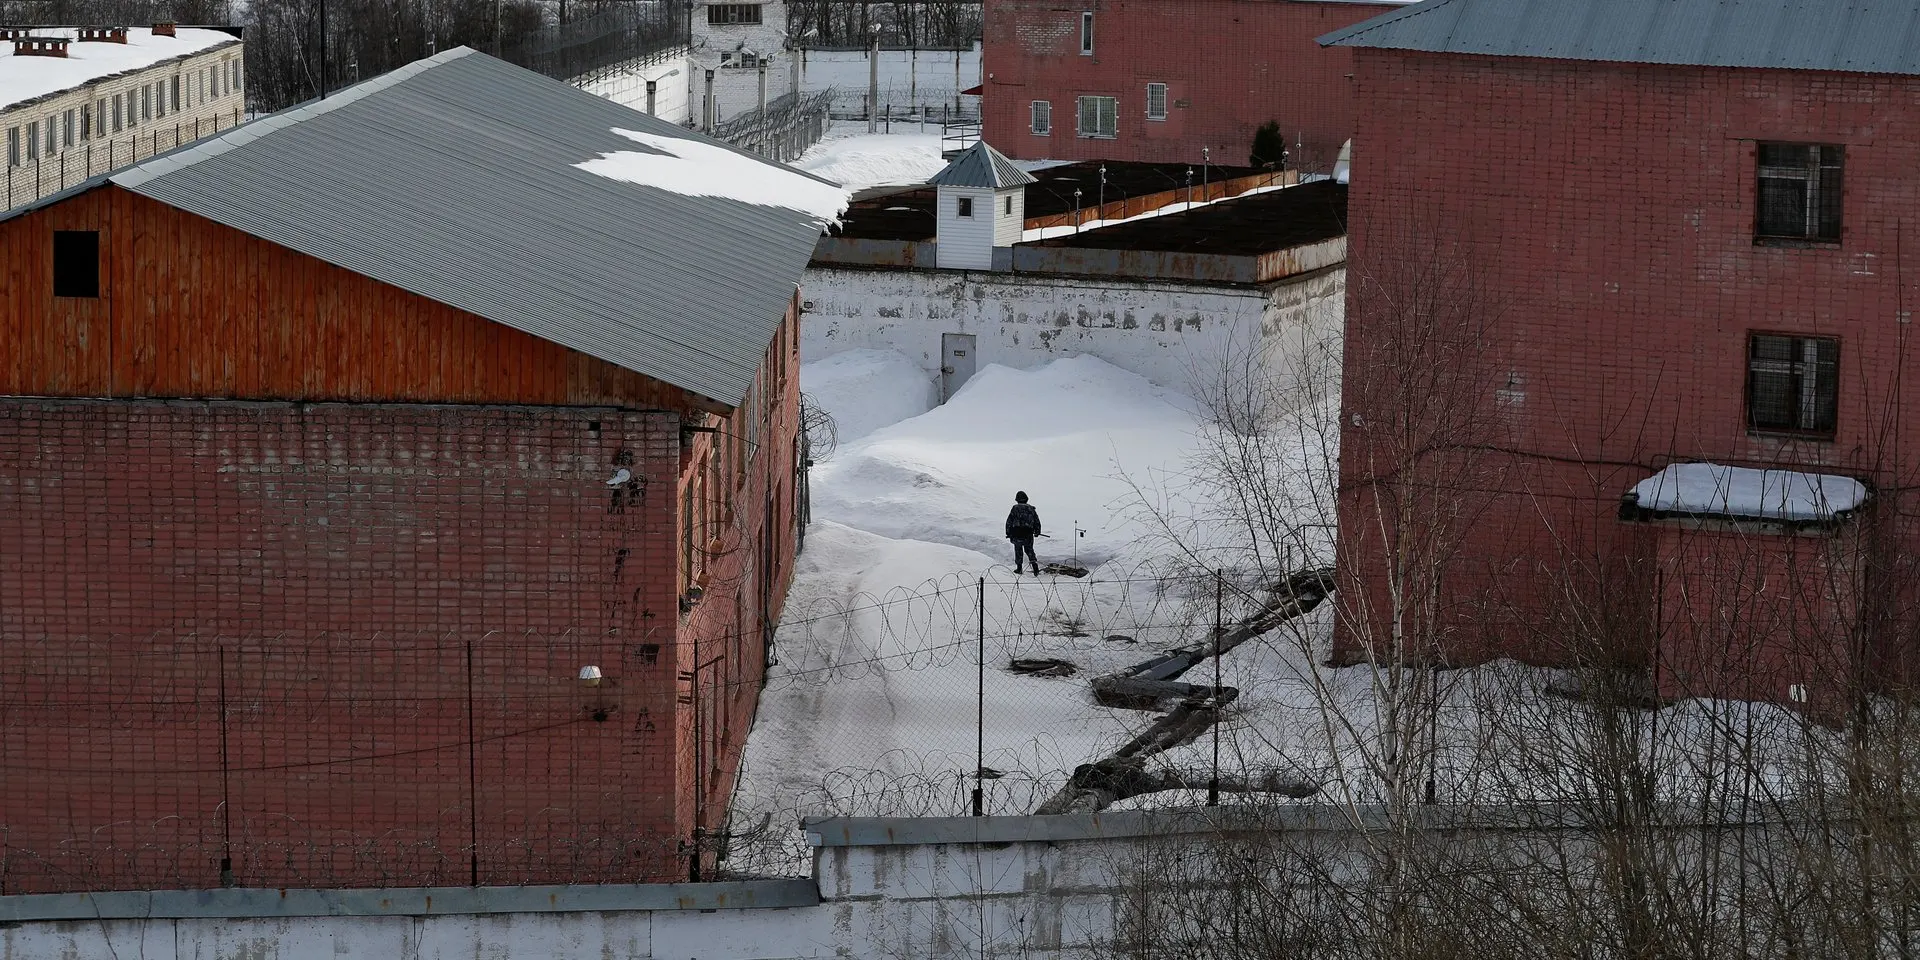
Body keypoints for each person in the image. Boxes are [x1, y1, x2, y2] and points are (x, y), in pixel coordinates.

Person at [1005, 491, 1041, 575]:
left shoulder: (1015, 508)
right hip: (1028, 534)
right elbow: (1037, 521)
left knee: (1018, 550)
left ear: (1017, 499)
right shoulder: (1031, 509)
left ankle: (1019, 568)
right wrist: (1037, 531)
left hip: (1017, 533)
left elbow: (1009, 521)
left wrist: (1008, 532)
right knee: (1029, 550)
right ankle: (1035, 567)